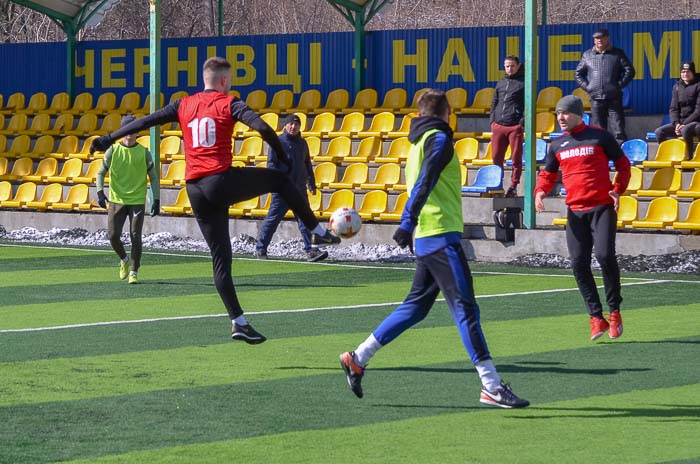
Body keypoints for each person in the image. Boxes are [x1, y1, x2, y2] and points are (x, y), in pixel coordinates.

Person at [90, 57, 340, 344]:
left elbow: (146, 121)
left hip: (194, 189)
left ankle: (238, 321)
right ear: (223, 80)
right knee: (281, 180)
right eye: (229, 80)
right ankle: (318, 232)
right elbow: (262, 127)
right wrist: (281, 155)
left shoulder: (183, 104)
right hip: (219, 179)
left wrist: (108, 138)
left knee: (221, 257)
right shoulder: (228, 102)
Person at [339, 89, 529, 408]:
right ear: (445, 114)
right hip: (439, 235)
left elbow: (422, 182)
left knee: (416, 306)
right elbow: (425, 182)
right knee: (466, 310)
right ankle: (491, 386)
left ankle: (357, 358)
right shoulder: (439, 140)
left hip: (429, 237)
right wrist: (406, 222)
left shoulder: (415, 143)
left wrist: (411, 225)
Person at [534, 95, 631, 341]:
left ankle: (615, 312)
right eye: (558, 114)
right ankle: (596, 317)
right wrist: (540, 191)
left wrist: (617, 190)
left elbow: (624, 165)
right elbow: (547, 174)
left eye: (565, 113)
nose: (561, 118)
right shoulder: (557, 145)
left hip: (601, 207)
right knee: (578, 263)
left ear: (578, 114)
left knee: (605, 256)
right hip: (575, 212)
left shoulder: (600, 136)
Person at [95, 115, 160, 285]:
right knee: (112, 235)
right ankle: (124, 259)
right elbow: (100, 172)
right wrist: (100, 192)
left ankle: (134, 271)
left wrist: (156, 199)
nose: (130, 134)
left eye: (133, 130)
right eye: (127, 130)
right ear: (122, 132)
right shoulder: (113, 151)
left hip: (137, 200)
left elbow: (153, 177)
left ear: (137, 132)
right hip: (117, 200)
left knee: (135, 235)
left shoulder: (144, 153)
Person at [255, 114, 327, 262]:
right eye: (291, 124)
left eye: (296, 125)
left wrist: (311, 183)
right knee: (272, 220)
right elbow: (271, 164)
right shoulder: (277, 142)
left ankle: (311, 250)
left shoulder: (302, 143)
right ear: (285, 126)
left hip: (299, 189)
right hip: (282, 190)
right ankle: (260, 248)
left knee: (305, 221)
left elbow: (307, 164)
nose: (293, 127)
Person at [575, 28, 635, 145]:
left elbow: (630, 71)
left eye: (602, 37)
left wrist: (618, 85)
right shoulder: (587, 55)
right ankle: (600, 157)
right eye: (597, 38)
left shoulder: (617, 53)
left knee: (618, 131)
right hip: (596, 99)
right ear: (594, 40)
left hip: (614, 98)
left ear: (608, 38)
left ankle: (620, 157)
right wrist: (588, 87)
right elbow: (578, 74)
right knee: (598, 131)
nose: (599, 40)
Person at [490, 55, 524, 197]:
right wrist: (492, 120)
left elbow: (527, 104)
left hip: (514, 126)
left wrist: (521, 123)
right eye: (507, 66)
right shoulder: (501, 83)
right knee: (496, 157)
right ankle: (497, 185)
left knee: (516, 158)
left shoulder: (523, 84)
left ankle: (513, 186)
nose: (509, 68)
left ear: (518, 66)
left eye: (512, 66)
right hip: (498, 125)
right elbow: (495, 101)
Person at [654, 61, 700, 160]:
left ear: (693, 72)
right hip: (680, 124)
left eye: (688, 71)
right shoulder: (677, 87)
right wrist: (676, 123)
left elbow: (698, 110)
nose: (685, 74)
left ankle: (689, 160)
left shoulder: (698, 85)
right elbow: (673, 108)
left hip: (696, 122)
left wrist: (684, 124)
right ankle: (667, 157)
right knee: (659, 132)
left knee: (685, 129)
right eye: (683, 72)